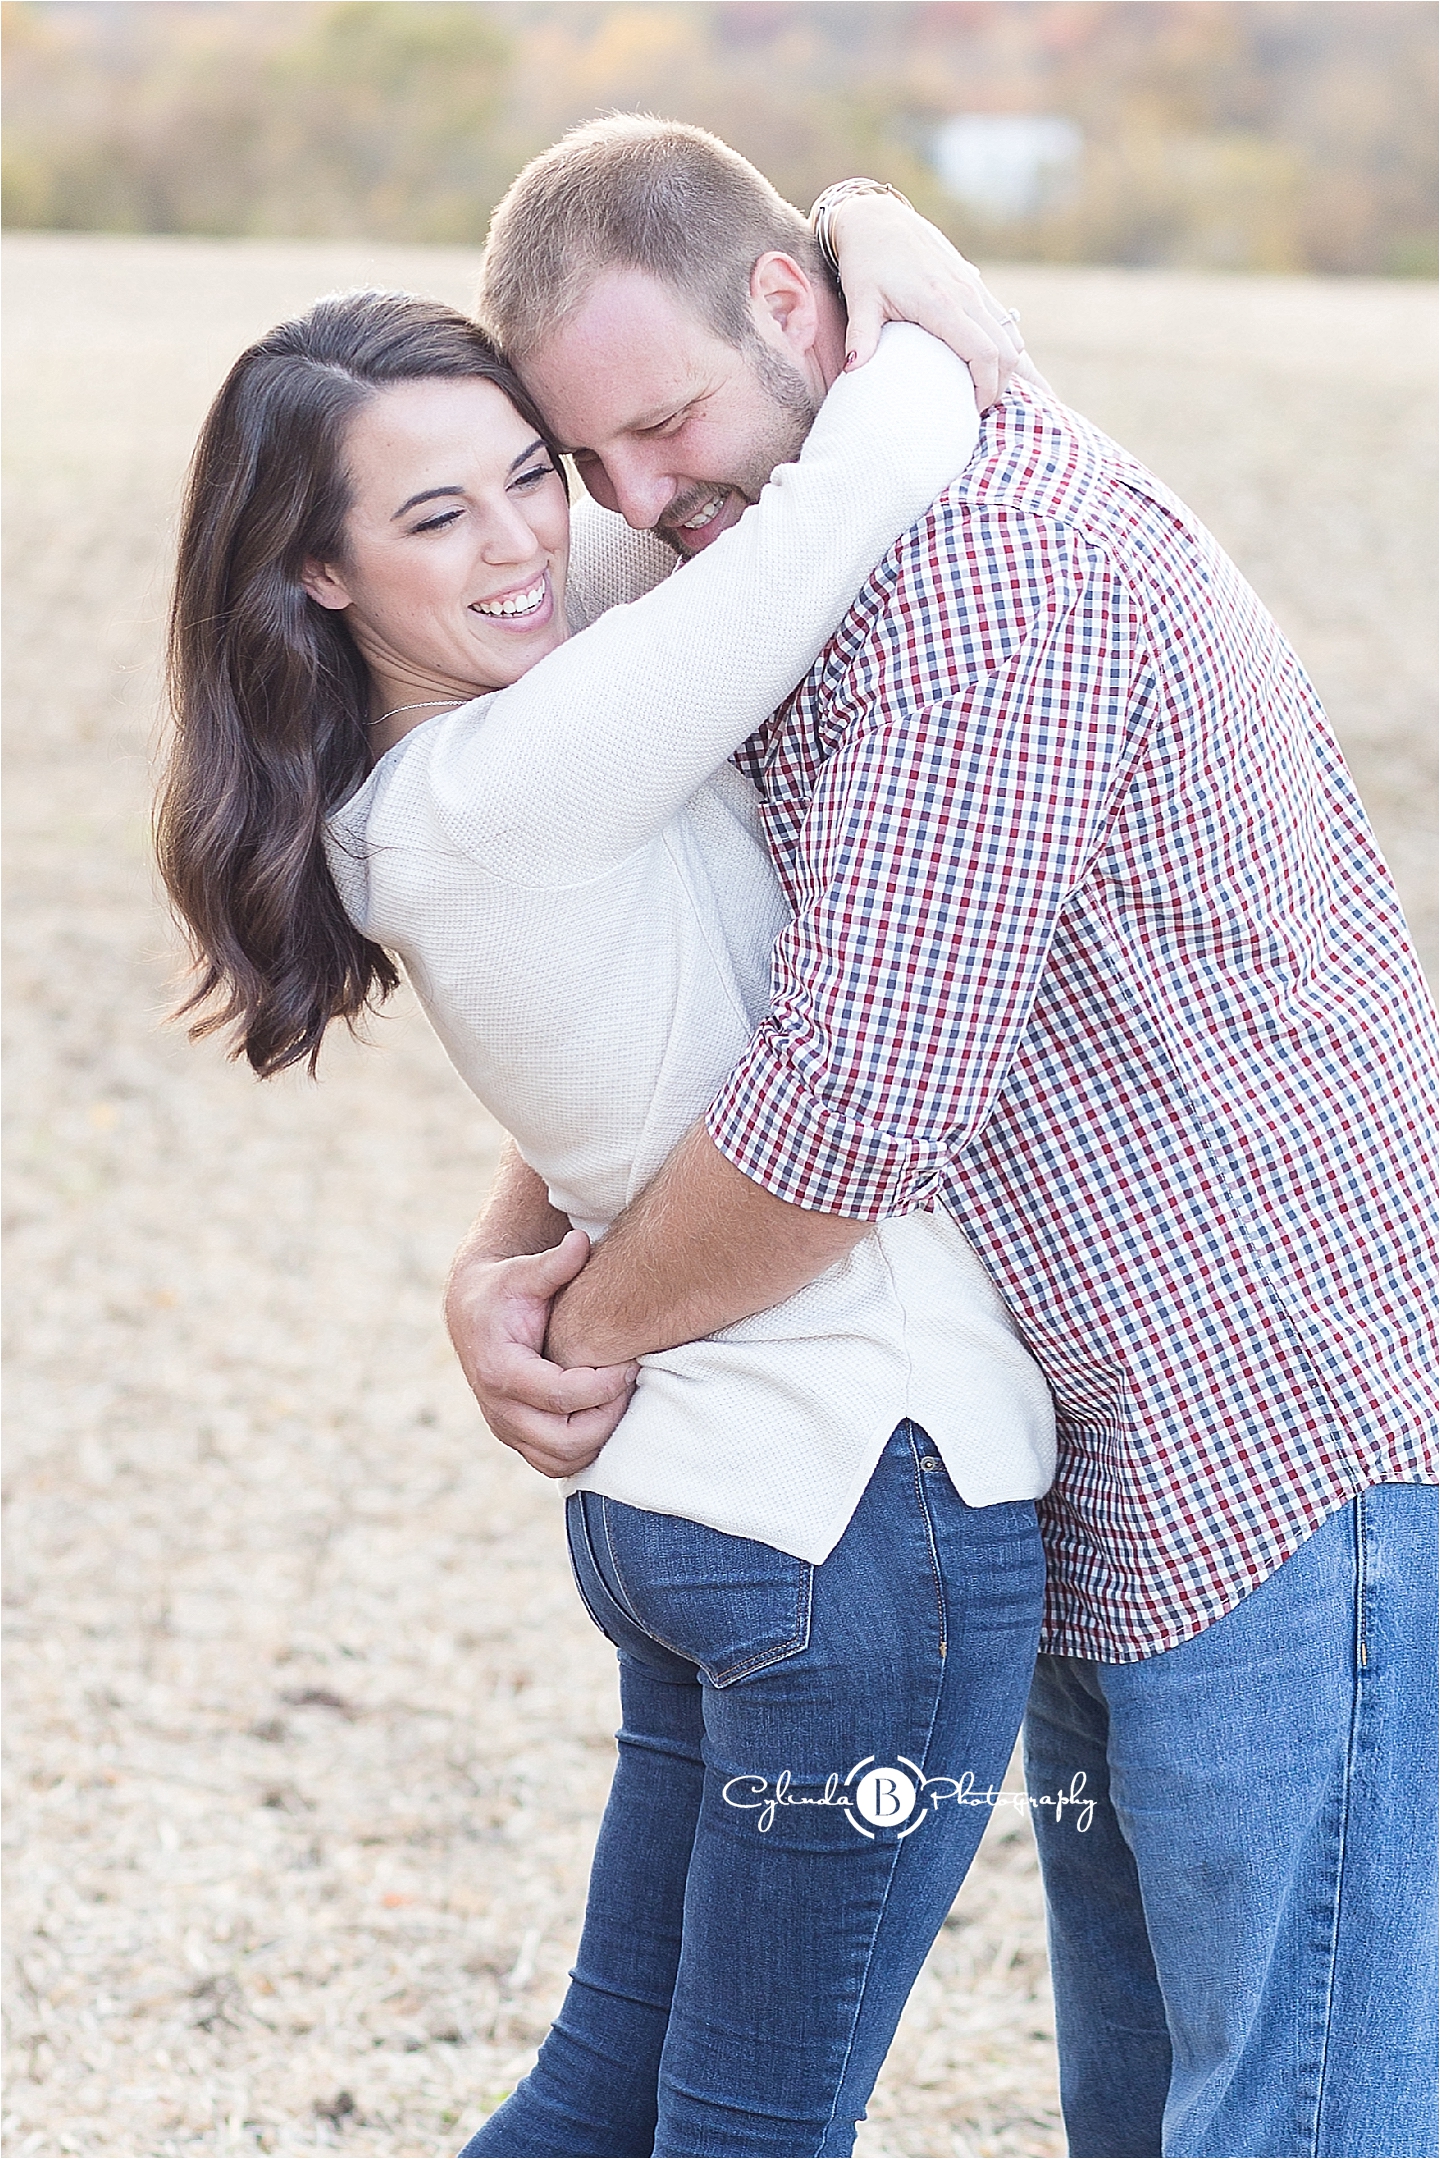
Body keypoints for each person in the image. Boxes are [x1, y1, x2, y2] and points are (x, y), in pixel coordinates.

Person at [447, 117, 1440, 2159]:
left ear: (797, 312)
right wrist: (512, 1239)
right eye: (590, 465)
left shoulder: (995, 579)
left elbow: (848, 1105)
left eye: (666, 424)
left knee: (1302, 2109)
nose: (639, 506)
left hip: (1278, 1441)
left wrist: (578, 1320)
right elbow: (706, 973)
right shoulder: (810, 513)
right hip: (1086, 1452)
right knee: (1157, 2105)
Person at [156, 224, 1068, 2158]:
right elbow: (872, 470)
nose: (515, 546)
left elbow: (663, 539)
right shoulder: (526, 774)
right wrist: (903, 269)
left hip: (704, 1511)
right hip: (862, 1501)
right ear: (319, 575)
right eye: (434, 517)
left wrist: (851, 224)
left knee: (601, 2102)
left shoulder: (447, 773)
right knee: (751, 2131)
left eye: (529, 475)